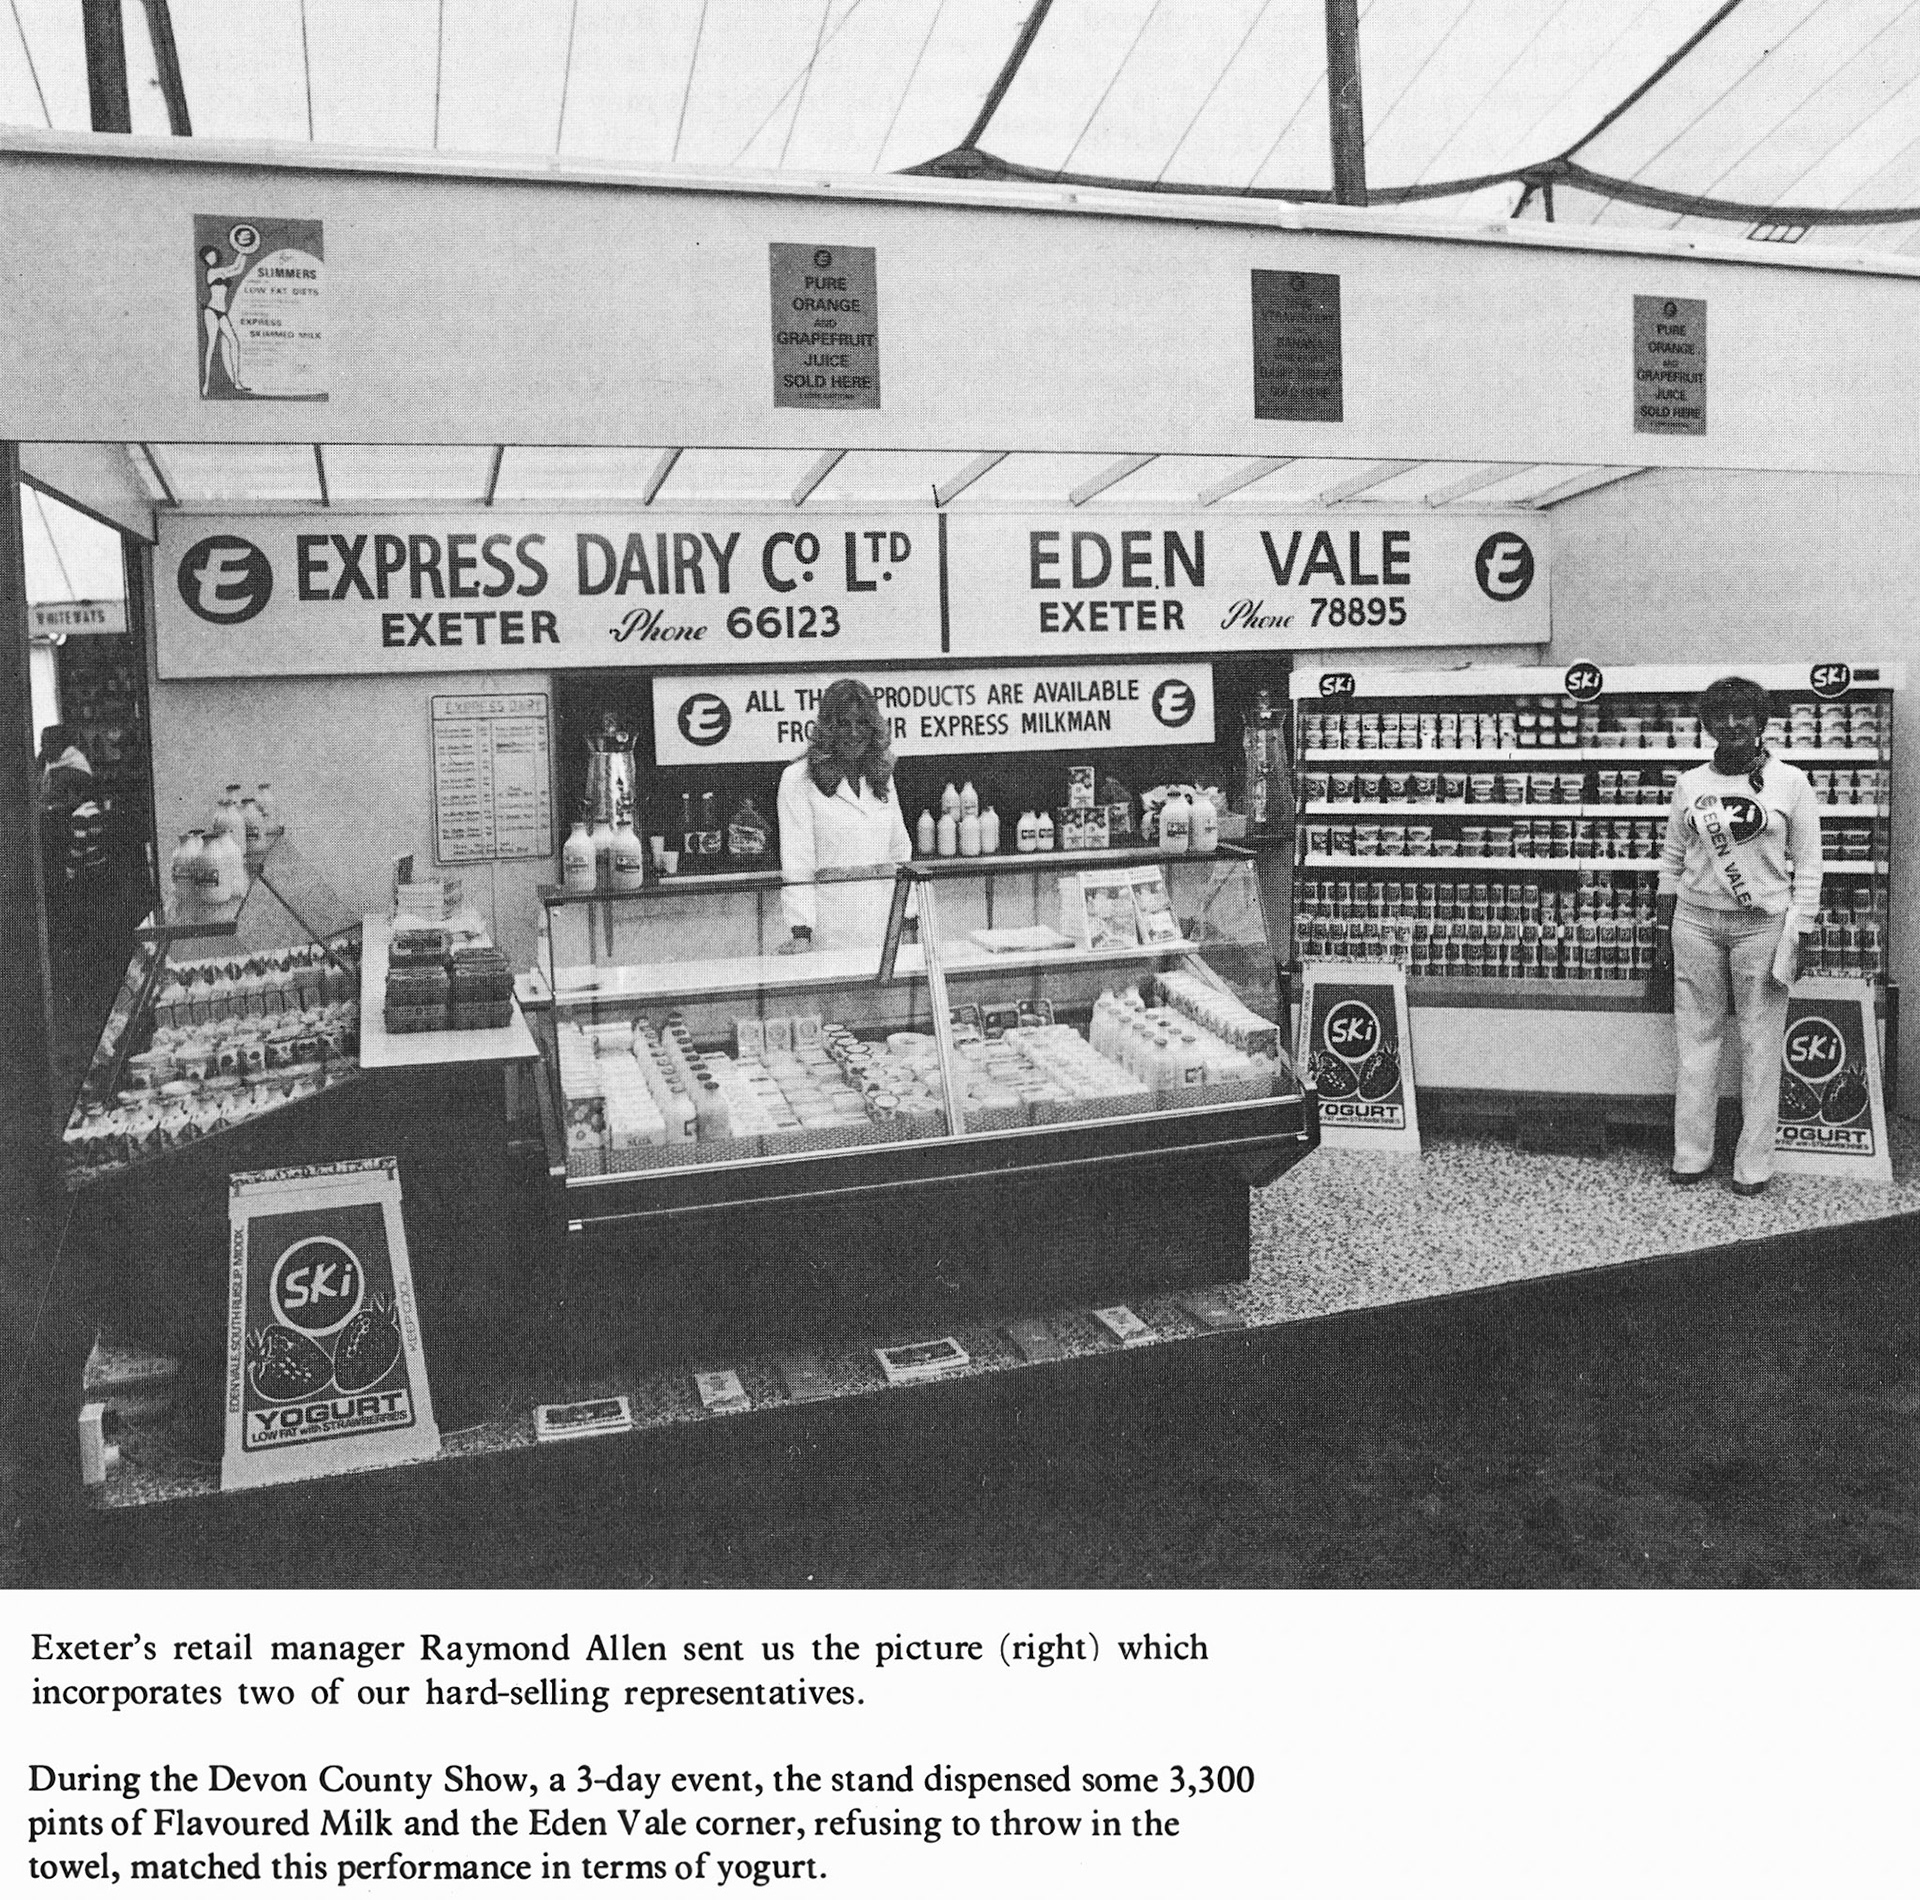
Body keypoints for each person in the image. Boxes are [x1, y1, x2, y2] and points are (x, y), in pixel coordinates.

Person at [1652, 676, 1823, 1195]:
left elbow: (1810, 865)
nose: (1731, 726)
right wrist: (1662, 927)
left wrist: (1804, 929)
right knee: (1695, 1041)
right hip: (1696, 922)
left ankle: (1753, 1166)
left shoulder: (1791, 782)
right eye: (1720, 716)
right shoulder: (1690, 784)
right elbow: (1671, 861)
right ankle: (1691, 1155)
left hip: (1764, 925)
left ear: (1760, 721)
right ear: (1707, 724)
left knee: (1760, 1043)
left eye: (1742, 715)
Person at [776, 679, 913, 953]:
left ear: (873, 728)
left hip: (884, 929)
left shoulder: (882, 774)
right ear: (828, 729)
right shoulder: (798, 779)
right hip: (829, 934)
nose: (853, 733)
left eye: (861, 723)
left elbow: (899, 851)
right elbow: (797, 862)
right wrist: (802, 932)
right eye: (843, 724)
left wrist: (908, 920)